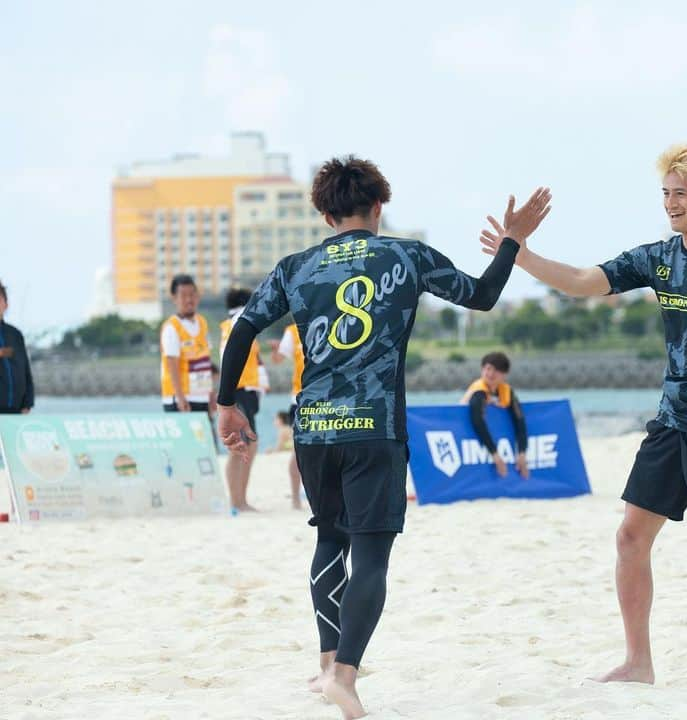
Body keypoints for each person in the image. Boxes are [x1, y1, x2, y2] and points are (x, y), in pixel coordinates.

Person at [215, 155, 551, 719]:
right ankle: (344, 677)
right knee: (371, 552)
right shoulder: (406, 254)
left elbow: (245, 327)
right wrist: (512, 242)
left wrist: (228, 403)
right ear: (378, 207)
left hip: (315, 427)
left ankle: (328, 664)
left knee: (330, 541)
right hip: (376, 428)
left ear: (325, 215)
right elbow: (482, 294)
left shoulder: (295, 266)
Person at [482, 142, 687, 690]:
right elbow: (586, 281)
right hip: (671, 420)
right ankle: (638, 662)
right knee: (631, 536)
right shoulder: (661, 258)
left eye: (680, 193)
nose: (670, 203)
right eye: (665, 193)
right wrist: (519, 252)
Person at [220, 287, 261, 511]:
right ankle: (237, 501)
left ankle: (239, 499)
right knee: (241, 446)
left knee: (247, 445)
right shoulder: (239, 321)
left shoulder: (232, 323)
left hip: (246, 388)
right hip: (240, 389)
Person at [460, 351, 529, 477]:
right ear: (482, 369)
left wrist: (522, 452)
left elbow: (520, 420)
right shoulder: (478, 391)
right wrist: (496, 455)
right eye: (488, 369)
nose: (491, 374)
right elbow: (477, 421)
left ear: (504, 375)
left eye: (496, 370)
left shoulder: (506, 391)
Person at [161, 275, 215, 418]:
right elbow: (172, 364)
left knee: (208, 440)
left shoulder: (202, 323)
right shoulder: (172, 327)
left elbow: (205, 362)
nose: (189, 300)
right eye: (183, 295)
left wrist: (210, 396)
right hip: (180, 400)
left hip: (201, 397)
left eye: (192, 294)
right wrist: (180, 397)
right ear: (174, 298)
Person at [271, 322, 305, 509]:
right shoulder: (292, 331)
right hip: (299, 398)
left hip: (328, 396)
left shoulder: (332, 320)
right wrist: (276, 350)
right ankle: (295, 497)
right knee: (298, 451)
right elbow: (278, 359)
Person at [0, 280, 34, 415]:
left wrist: (28, 403)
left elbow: (25, 369)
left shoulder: (15, 334)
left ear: (6, 304)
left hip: (16, 410)